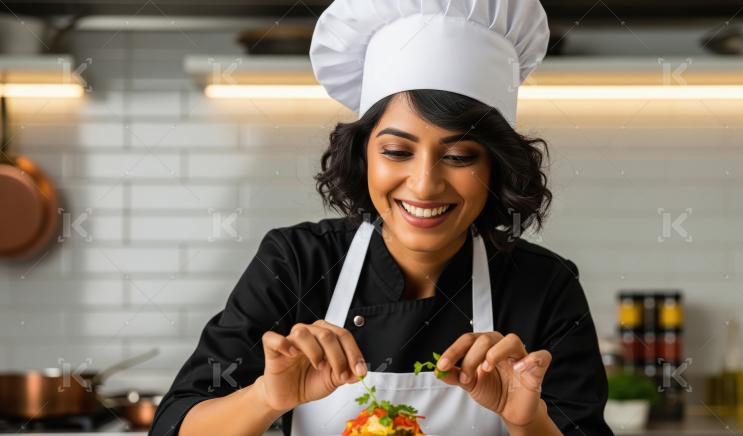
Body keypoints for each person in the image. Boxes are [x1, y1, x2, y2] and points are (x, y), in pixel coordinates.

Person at [150, 0, 613, 435]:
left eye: (458, 155)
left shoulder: (543, 286)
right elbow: (175, 424)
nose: (425, 184)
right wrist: (266, 396)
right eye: (396, 151)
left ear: (495, 166)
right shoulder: (297, 264)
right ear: (363, 155)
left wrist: (528, 421)